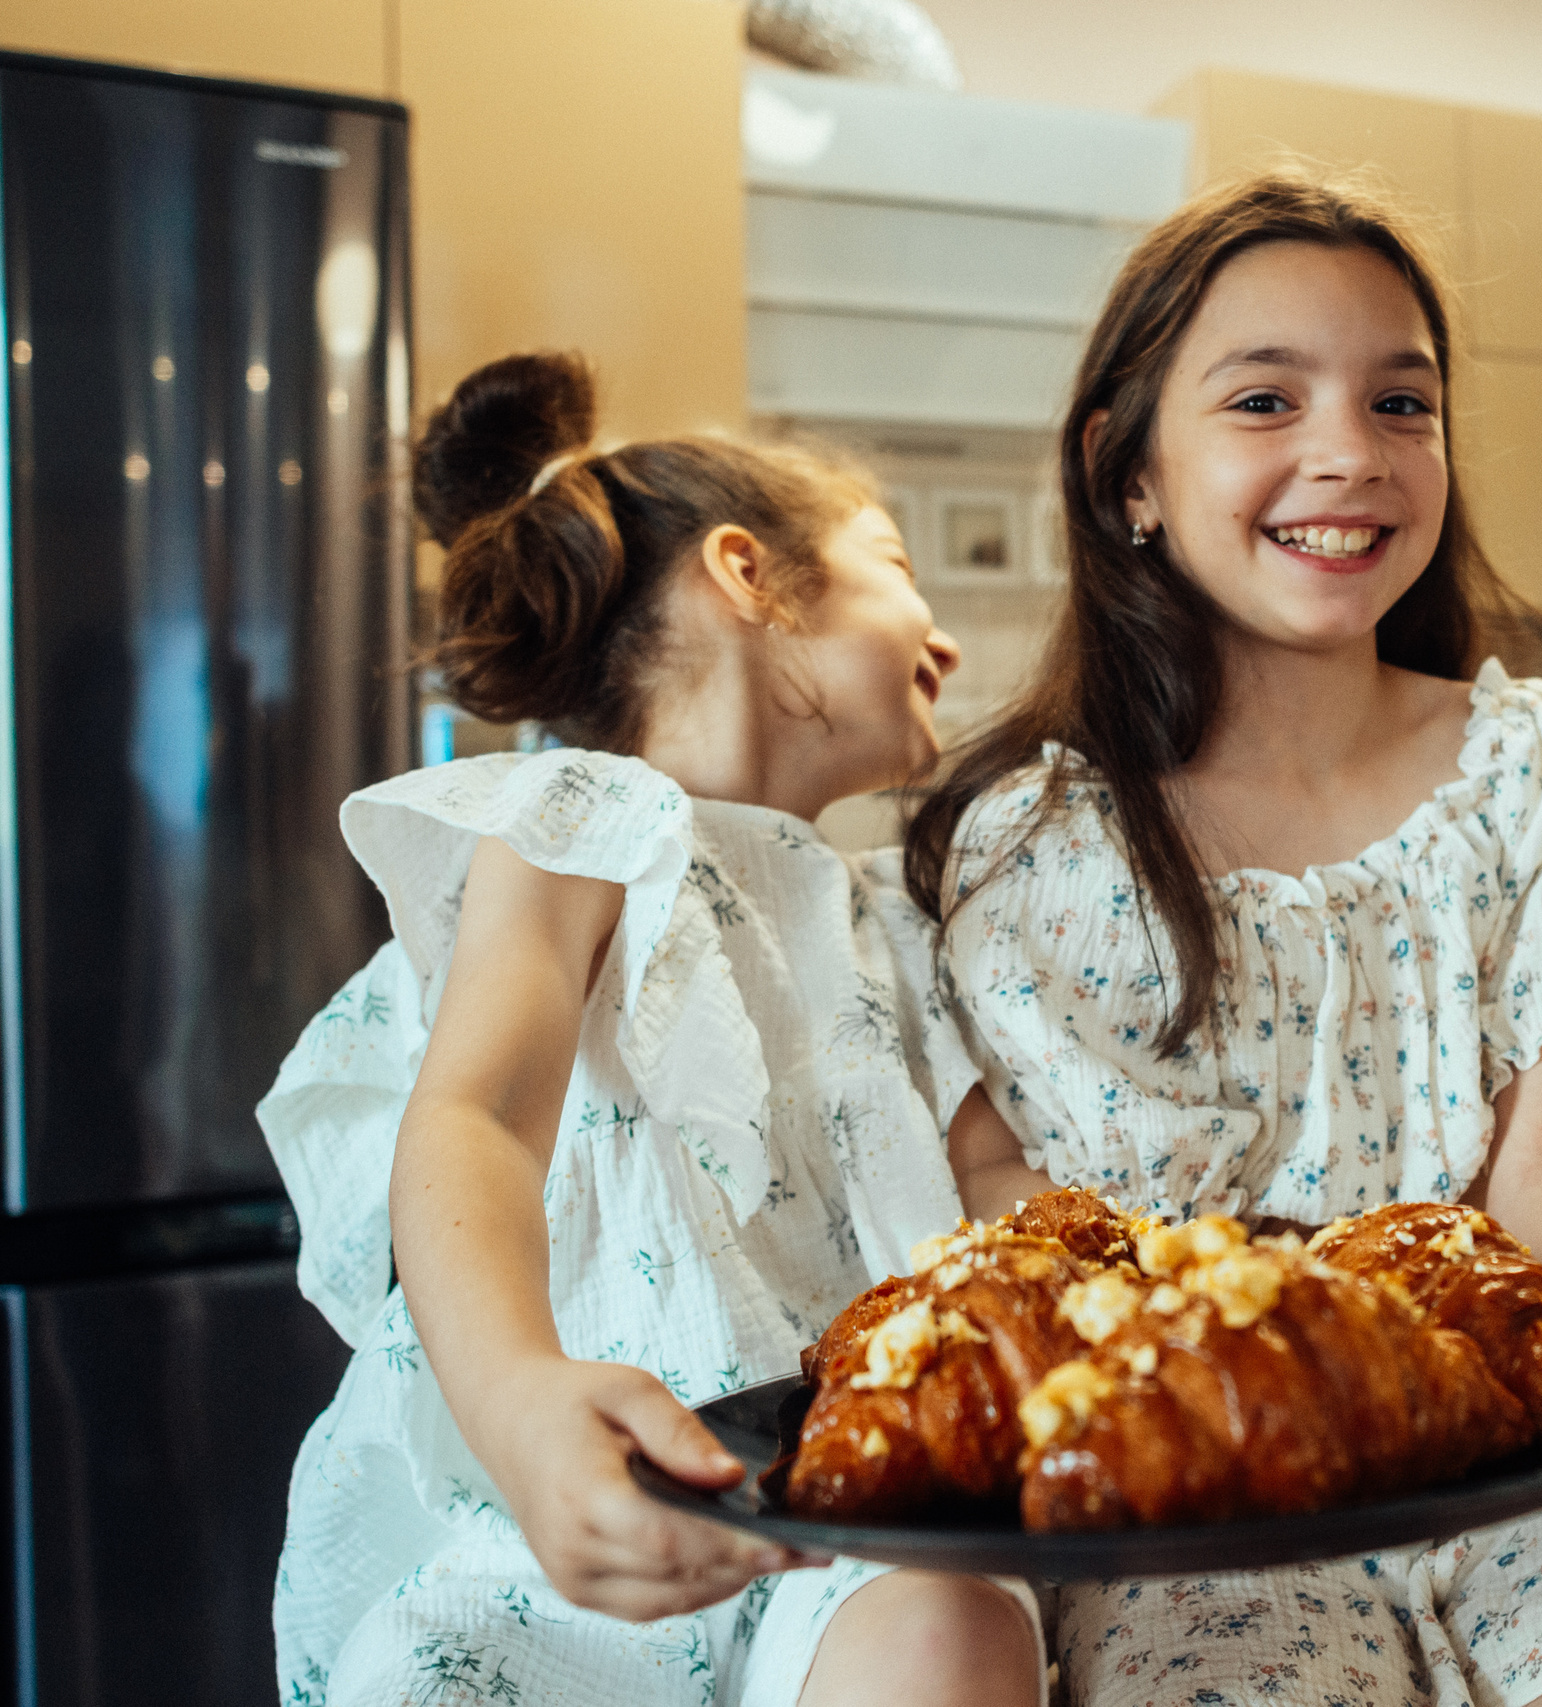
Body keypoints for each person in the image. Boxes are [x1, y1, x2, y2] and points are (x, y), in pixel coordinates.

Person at [905, 173, 1542, 1707]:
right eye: (1264, 397)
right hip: (1198, 1505)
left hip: (1520, 1452)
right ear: (1125, 469)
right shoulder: (1020, 838)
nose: (1349, 451)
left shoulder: (1530, 763)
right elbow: (1015, 1222)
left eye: (1401, 400)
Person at [260, 353, 1046, 1707]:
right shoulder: (578, 825)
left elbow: (998, 1193)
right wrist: (516, 1407)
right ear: (749, 573)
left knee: (948, 1629)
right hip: (574, 1517)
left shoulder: (902, 916)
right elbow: (476, 1118)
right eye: (897, 562)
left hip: (859, 1520)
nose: (949, 636)